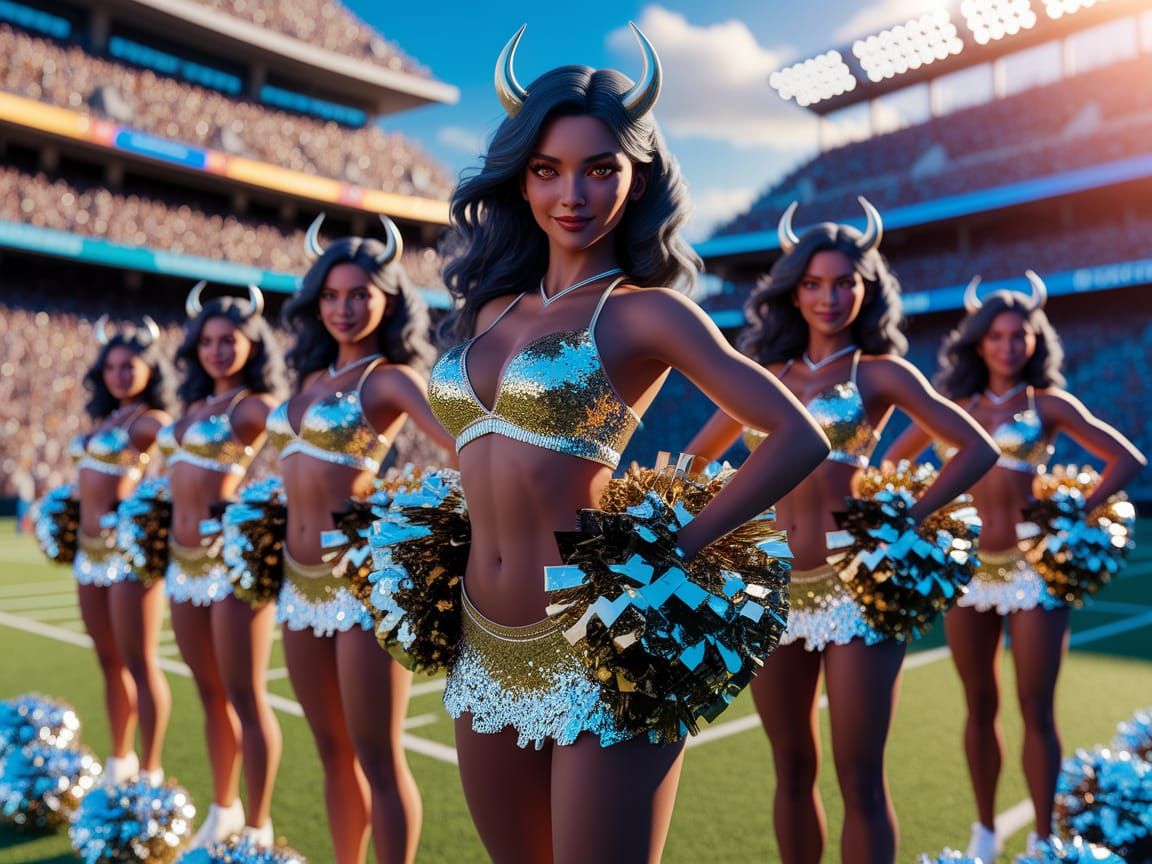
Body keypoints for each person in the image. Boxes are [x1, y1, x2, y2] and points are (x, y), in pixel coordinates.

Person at [428, 24, 829, 863]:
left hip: (599, 644)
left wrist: (679, 548)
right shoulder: (484, 311)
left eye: (600, 167)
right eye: (547, 170)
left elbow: (799, 436)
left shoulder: (647, 310)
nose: (571, 193)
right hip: (483, 643)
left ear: (637, 175)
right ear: (520, 180)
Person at [685, 201, 1000, 864]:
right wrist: (703, 525)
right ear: (792, 291)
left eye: (846, 282)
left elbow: (975, 448)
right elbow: (693, 461)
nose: (830, 297)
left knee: (859, 777)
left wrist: (908, 518)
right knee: (791, 769)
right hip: (769, 591)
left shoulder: (879, 373)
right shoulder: (762, 378)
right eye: (814, 283)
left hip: (856, 590)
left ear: (868, 287)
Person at [883, 273, 1146, 861]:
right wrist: (925, 515)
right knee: (979, 703)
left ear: (1034, 341)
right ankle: (984, 827)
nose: (1009, 345)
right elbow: (892, 462)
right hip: (968, 572)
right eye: (997, 335)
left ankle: (1046, 834)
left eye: (1020, 335)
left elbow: (1126, 458)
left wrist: (1074, 509)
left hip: (1032, 570)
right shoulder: (951, 408)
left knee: (1037, 706)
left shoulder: (1046, 405)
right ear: (977, 343)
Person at [271, 214, 455, 864]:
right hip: (297, 586)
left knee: (378, 755)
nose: (344, 309)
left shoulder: (388, 378)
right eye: (331, 295)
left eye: (359, 295)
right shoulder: (308, 383)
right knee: (330, 751)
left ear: (388, 302)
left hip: (361, 587)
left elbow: (466, 447)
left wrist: (422, 516)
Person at [161, 283, 288, 848]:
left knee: (245, 696)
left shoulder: (255, 407)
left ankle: (258, 827)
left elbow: (298, 466)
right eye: (207, 341)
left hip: (230, 569)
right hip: (181, 565)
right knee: (209, 694)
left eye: (229, 340)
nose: (216, 350)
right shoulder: (194, 409)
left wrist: (257, 515)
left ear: (251, 344)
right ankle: (225, 807)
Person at [73, 316, 174, 787]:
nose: (119, 375)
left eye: (129, 366)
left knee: (139, 662)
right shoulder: (107, 420)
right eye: (111, 367)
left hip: (128, 557)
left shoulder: (151, 422)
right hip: (89, 555)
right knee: (107, 661)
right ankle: (120, 759)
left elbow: (180, 473)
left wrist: (147, 514)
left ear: (150, 369)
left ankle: (149, 770)